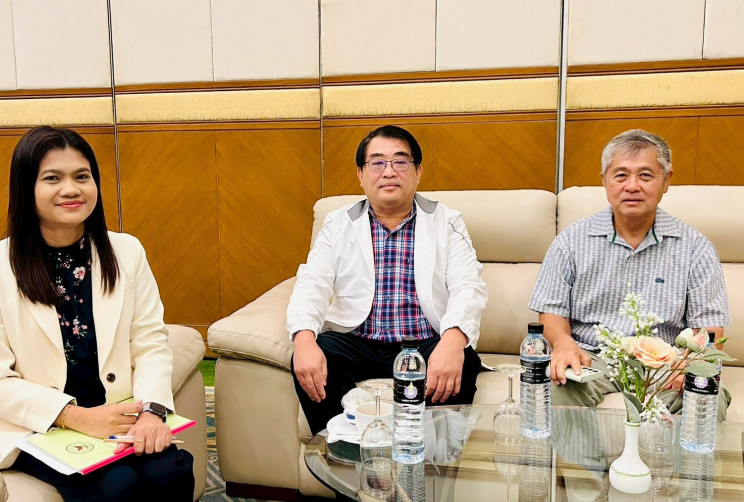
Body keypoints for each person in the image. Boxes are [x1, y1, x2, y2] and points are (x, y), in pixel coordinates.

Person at [0, 126, 194, 501]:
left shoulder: (127, 251)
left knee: (170, 471)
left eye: (82, 176)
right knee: (119, 486)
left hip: (117, 411)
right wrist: (77, 417)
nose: (71, 189)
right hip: (37, 422)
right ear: (26, 188)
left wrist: (151, 412)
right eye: (53, 178)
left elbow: (150, 341)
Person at [287, 125, 488, 434]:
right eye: (377, 162)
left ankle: (426, 454)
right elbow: (312, 282)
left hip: (421, 344)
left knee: (464, 358)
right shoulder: (338, 223)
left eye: (401, 161)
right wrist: (303, 338)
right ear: (361, 174)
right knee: (318, 351)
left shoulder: (446, 221)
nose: (389, 171)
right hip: (358, 341)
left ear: (418, 172)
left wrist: (452, 340)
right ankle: (345, 447)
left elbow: (468, 285)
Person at [528, 128, 730, 414]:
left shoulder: (696, 247)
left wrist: (689, 363)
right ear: (604, 180)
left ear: (666, 180)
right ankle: (587, 449)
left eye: (645, 175)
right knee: (554, 386)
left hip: (665, 362)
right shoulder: (571, 241)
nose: (632, 186)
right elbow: (551, 311)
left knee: (705, 396)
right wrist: (563, 343)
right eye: (621, 175)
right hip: (591, 356)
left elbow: (709, 327)